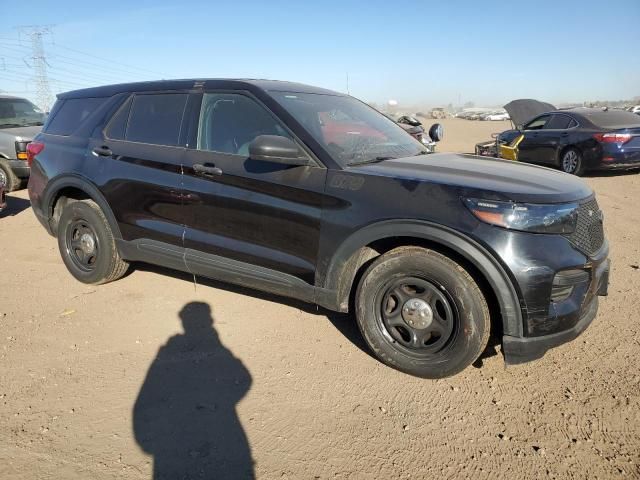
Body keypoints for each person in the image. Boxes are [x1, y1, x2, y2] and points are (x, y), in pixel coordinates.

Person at [133, 302, 254, 479]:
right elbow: (245, 378)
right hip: (225, 429)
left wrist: (146, 443)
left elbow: (143, 399)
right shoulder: (219, 349)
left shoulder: (168, 351)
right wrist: (226, 402)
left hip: (168, 449)